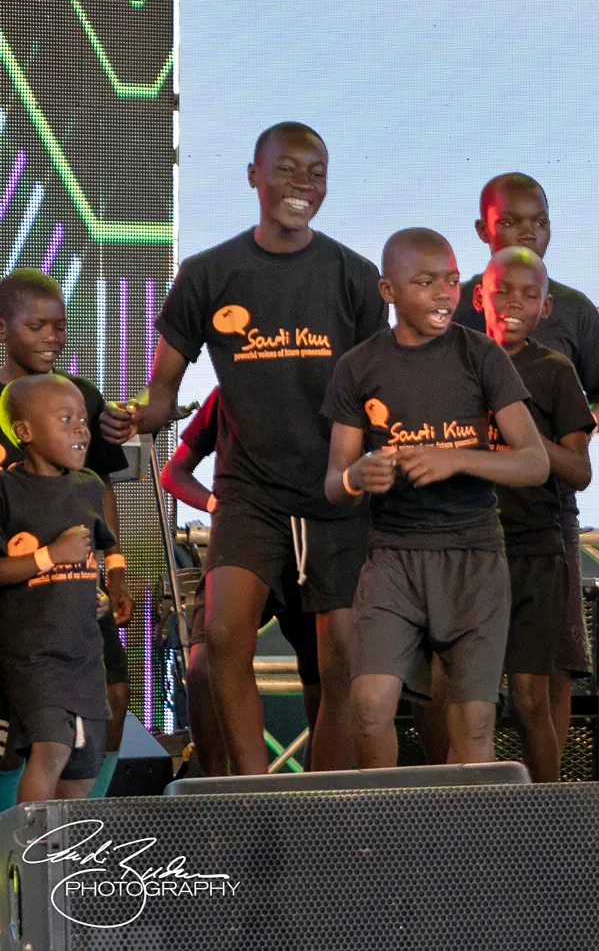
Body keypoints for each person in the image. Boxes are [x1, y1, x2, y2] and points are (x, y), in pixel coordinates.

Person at [102, 123, 385, 774]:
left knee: (344, 657)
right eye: (287, 169)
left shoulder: (355, 275)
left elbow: (380, 388)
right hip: (250, 494)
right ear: (253, 175)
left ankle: (319, 805)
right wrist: (138, 414)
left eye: (316, 172)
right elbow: (162, 390)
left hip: (336, 494)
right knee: (224, 639)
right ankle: (254, 795)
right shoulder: (208, 273)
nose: (302, 184)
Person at [321, 228, 549, 769]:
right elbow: (334, 484)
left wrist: (458, 459)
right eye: (425, 283)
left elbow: (534, 462)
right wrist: (357, 476)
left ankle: (466, 828)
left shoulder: (481, 354)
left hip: (474, 556)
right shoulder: (359, 365)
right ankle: (382, 823)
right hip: (394, 557)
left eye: (451, 280)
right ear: (389, 291)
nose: (444, 294)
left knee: (473, 722)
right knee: (370, 705)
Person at [452, 171, 599, 751]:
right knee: (457, 678)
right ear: (483, 230)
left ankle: (548, 796)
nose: (527, 232)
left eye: (539, 222)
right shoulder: (452, 308)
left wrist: (548, 437)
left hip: (545, 517)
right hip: (463, 519)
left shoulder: (572, 313)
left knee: (545, 674)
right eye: (511, 222)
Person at [0, 269, 136, 785]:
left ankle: (84, 824)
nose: (51, 338)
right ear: (2, 329)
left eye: (59, 327)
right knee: (36, 735)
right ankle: (25, 830)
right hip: (20, 605)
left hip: (74, 600)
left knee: (111, 699)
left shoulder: (80, 395)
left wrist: (114, 577)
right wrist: (42, 558)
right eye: (36, 327)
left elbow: (100, 493)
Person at [476, 247, 595, 782]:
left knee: (529, 699)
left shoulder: (553, 371)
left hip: (534, 550)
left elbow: (580, 470)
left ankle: (548, 812)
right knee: (463, 697)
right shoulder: (459, 361)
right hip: (468, 547)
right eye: (502, 291)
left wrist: (527, 441)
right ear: (479, 296)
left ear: (546, 307)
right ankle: (453, 814)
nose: (513, 303)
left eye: (529, 295)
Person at [164, 388, 323, 777]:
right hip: (243, 542)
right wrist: (216, 505)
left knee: (326, 671)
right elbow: (174, 472)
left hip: (314, 538)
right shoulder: (231, 391)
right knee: (203, 667)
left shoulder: (327, 381)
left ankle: (320, 795)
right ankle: (217, 789)